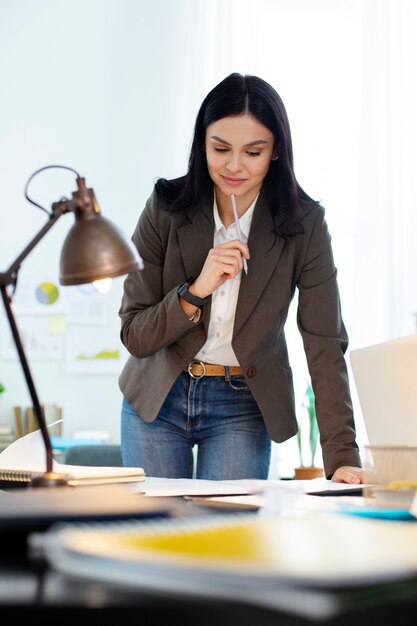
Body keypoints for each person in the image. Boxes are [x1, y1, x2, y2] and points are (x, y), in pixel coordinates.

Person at [118, 72, 363, 484]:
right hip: (158, 396)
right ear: (202, 143)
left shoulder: (306, 224)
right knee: (155, 541)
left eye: (253, 151)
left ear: (276, 151)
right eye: (220, 148)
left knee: (225, 542)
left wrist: (342, 457)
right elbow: (135, 333)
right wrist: (196, 291)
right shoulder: (166, 207)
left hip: (242, 403)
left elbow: (324, 342)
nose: (234, 166)